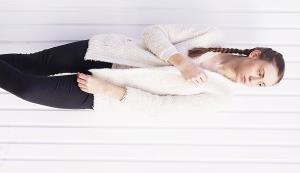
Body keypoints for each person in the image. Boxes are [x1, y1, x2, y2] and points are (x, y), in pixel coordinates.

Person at [0, 24, 285, 113]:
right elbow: (153, 32)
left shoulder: (219, 94)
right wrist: (181, 61)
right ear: (255, 55)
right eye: (261, 73)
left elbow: (161, 108)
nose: (254, 81)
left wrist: (107, 89)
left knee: (29, 88)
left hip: (103, 90)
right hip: (104, 51)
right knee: (30, 63)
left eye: (261, 85)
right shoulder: (209, 37)